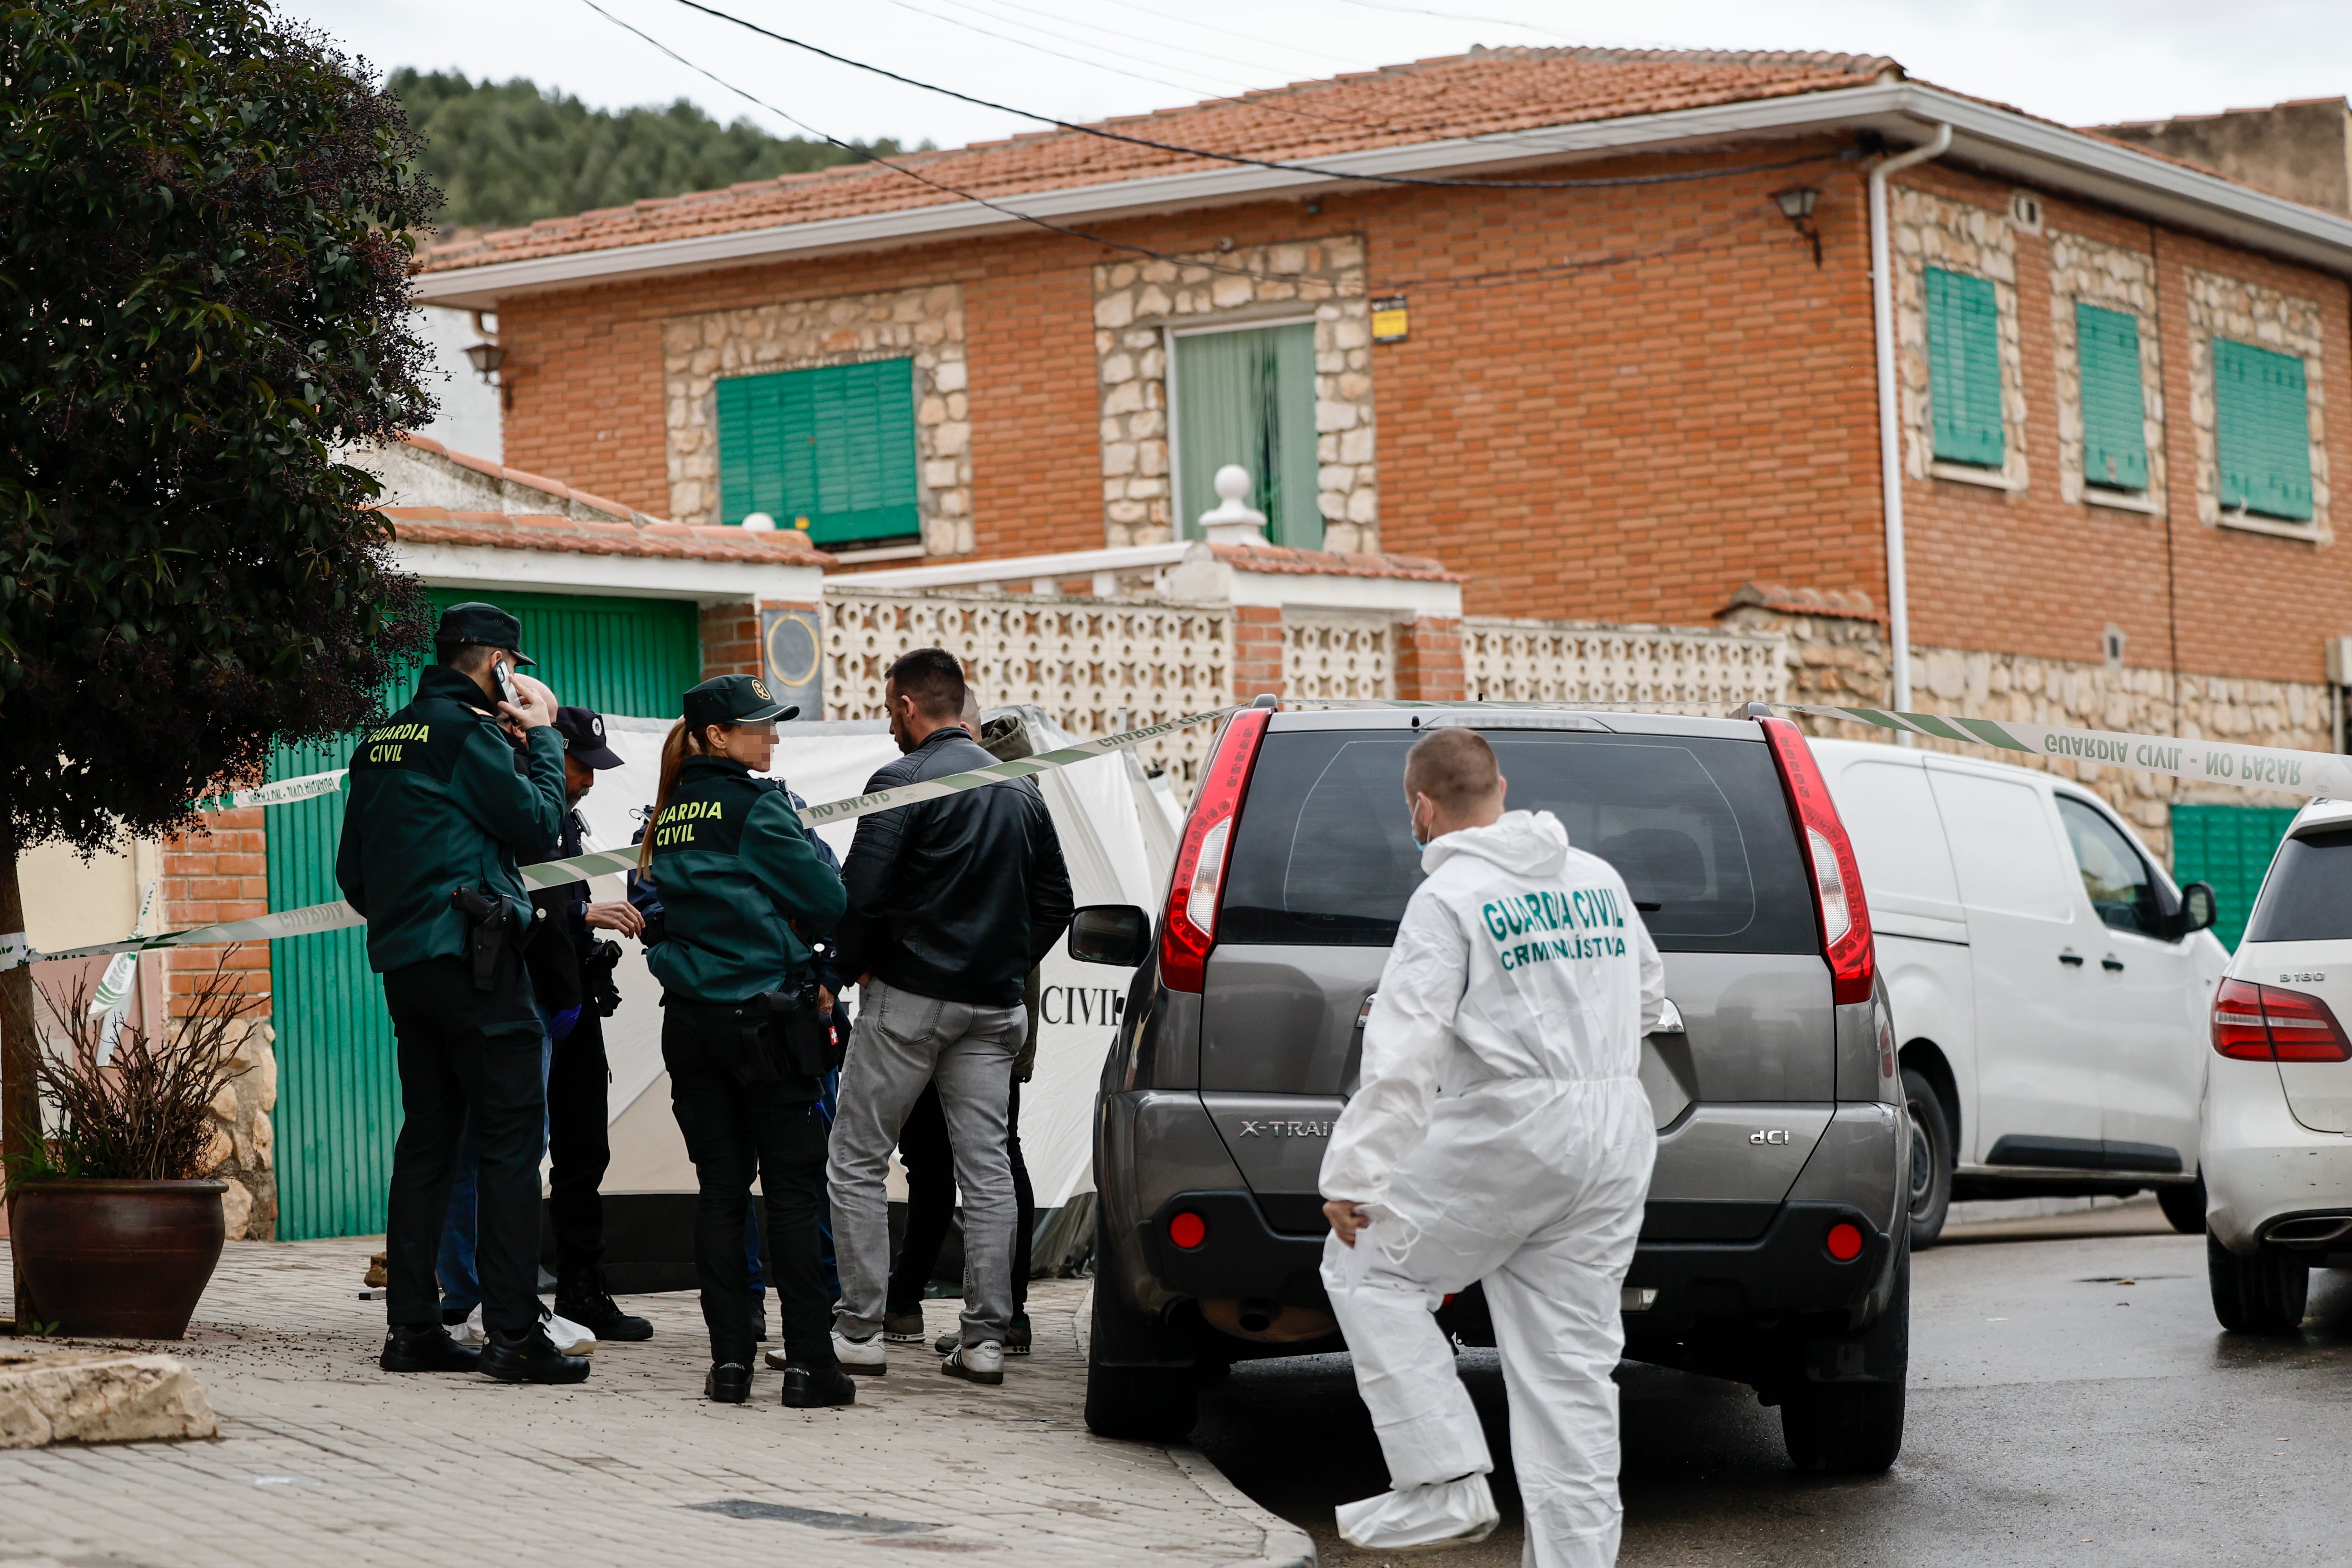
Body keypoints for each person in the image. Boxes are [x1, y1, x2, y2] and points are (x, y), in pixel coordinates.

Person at [1318, 727, 1661, 1562]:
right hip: (1616, 1133)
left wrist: (1355, 1171)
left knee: (1364, 1266)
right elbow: (1650, 1000)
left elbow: (1403, 1054)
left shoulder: (1449, 899)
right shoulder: (1600, 878)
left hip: (1510, 1129)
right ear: (1501, 788)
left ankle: (1443, 1481)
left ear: (1422, 809)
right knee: (1572, 1378)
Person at [334, 601, 589, 1385]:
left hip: (410, 970)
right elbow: (542, 820)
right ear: (498, 665)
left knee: (428, 1145)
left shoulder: (382, 739)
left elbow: (354, 876)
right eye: (519, 671)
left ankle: (412, 1329)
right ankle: (514, 1334)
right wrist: (543, 735)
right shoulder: (469, 734)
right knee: (511, 1145)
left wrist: (417, 916)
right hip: (477, 966)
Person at [829, 649, 1072, 1386]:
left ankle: (860, 1331)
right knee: (989, 1170)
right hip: (994, 1008)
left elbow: (860, 896)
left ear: (907, 707)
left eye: (887, 707)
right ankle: (986, 1342)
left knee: (857, 1158)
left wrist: (841, 971)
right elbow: (1057, 901)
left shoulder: (899, 781)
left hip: (911, 998)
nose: (887, 722)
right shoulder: (1020, 788)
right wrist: (998, 961)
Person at [640, 673, 852, 1408]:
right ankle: (808, 1368)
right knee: (792, 1195)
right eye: (758, 726)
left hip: (692, 1024)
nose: (773, 736)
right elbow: (830, 899)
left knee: (721, 1195)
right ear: (714, 736)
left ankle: (729, 1365)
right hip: (768, 1023)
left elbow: (658, 911)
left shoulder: (665, 815)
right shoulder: (759, 807)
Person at [436, 705, 648, 1352]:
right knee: (501, 1151)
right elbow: (539, 909)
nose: (588, 780)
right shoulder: (530, 805)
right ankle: (485, 1299)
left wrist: (581, 913)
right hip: (516, 995)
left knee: (472, 1148)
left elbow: (544, 899)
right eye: (582, 765)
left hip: (489, 988)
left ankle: (467, 1297)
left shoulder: (516, 800)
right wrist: (564, 998)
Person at [890, 692, 1039, 1358]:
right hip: (992, 993)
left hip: (957, 995)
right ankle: (947, 1308)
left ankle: (969, 1312)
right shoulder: (992, 781)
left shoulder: (996, 772)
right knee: (962, 1155)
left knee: (979, 1155)